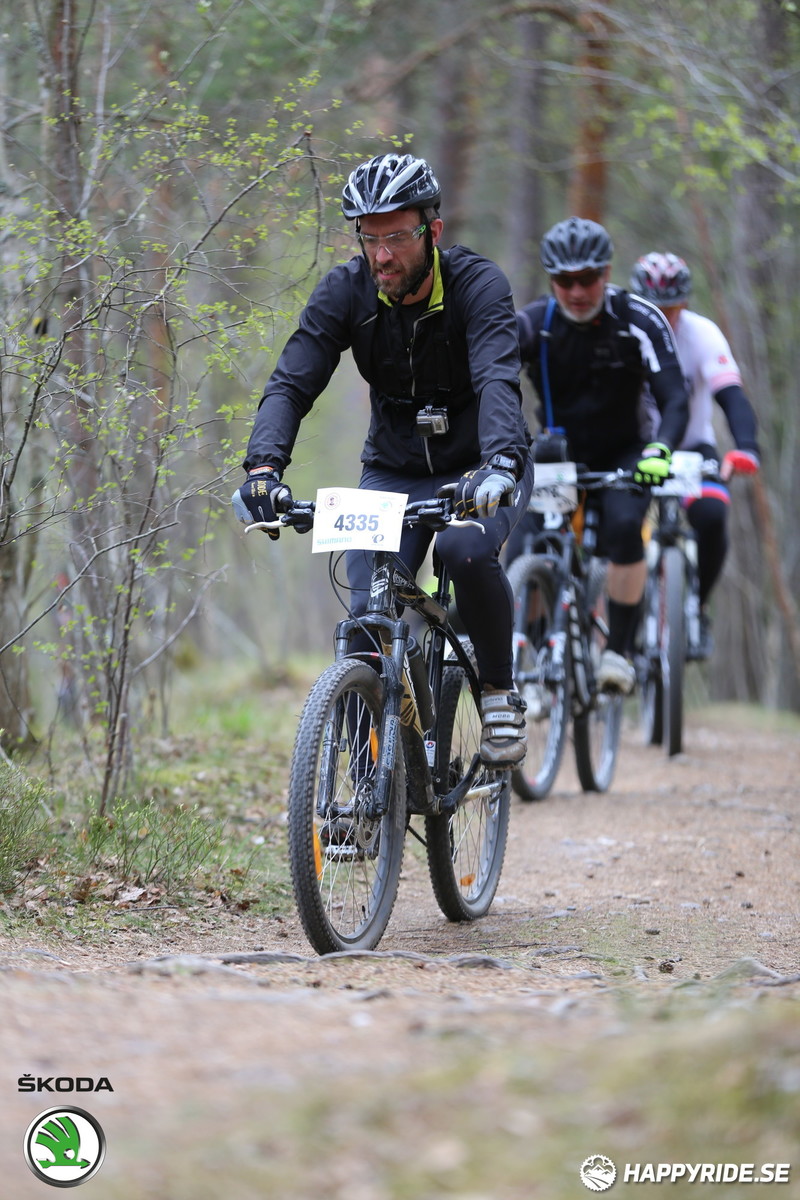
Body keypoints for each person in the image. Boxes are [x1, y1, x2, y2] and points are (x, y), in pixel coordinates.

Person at [233, 151, 535, 766]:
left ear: (433, 231)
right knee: (370, 612)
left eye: (396, 236)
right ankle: (363, 793)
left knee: (463, 549)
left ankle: (500, 693)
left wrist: (501, 462)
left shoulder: (478, 287)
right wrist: (263, 468)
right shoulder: (347, 292)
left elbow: (500, 379)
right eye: (369, 238)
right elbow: (293, 380)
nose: (382, 255)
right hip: (393, 470)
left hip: (481, 464)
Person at [509, 216, 690, 694]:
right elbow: (489, 377)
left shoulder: (640, 319)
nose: (576, 291)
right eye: (564, 280)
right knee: (522, 542)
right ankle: (526, 654)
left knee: (626, 527)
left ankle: (618, 652)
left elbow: (674, 397)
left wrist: (660, 450)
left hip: (626, 452)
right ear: (552, 280)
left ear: (606, 273)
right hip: (556, 454)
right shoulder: (534, 323)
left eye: (587, 278)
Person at [629, 251, 760, 656]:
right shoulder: (623, 331)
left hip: (690, 445)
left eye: (671, 307)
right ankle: (621, 616)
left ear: (684, 302)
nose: (663, 316)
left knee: (712, 513)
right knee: (618, 522)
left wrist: (746, 447)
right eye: (654, 307)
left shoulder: (703, 334)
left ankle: (694, 605)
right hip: (636, 445)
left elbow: (731, 396)